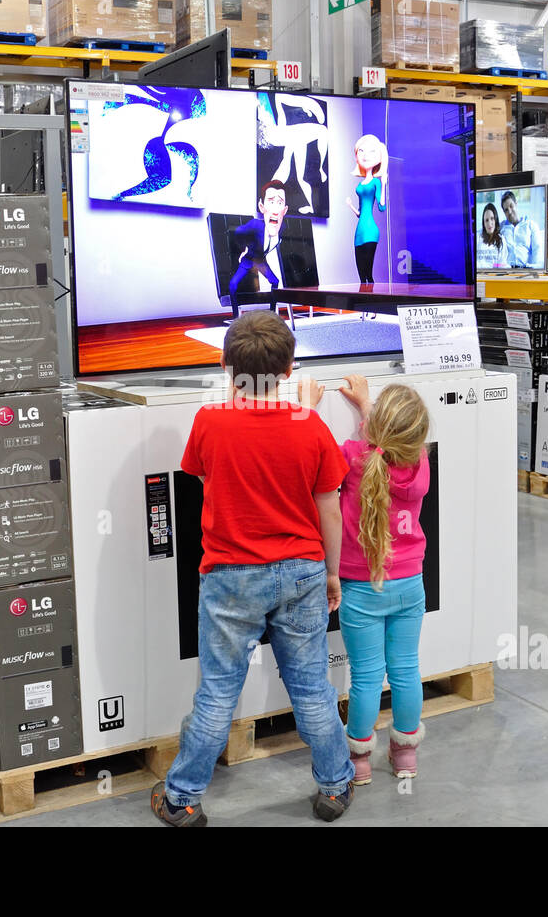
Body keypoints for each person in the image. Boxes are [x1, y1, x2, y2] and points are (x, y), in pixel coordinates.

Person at [150, 311, 356, 826]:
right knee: (311, 686)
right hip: (303, 570)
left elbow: (202, 475)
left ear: (225, 365)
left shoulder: (209, 421)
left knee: (218, 689)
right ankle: (334, 787)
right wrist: (332, 573)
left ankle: (182, 798)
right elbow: (329, 507)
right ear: (289, 369)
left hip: (230, 575)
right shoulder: (310, 427)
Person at [298, 374, 431, 784]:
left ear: (373, 430)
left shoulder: (353, 457)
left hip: (360, 589)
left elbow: (315, 450)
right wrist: (370, 407)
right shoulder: (420, 464)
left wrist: (308, 408)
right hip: (410, 585)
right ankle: (405, 756)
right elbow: (394, 440)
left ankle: (358, 760)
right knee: (406, 670)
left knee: (367, 677)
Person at [228, 181, 290, 318]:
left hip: (261, 261)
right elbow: (238, 231)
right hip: (249, 259)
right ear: (262, 207)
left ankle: (273, 313)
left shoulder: (283, 229)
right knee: (233, 284)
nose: (275, 209)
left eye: (279, 203)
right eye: (271, 202)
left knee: (275, 281)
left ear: (284, 210)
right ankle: (235, 317)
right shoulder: (255, 225)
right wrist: (242, 248)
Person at [350, 134, 388, 286]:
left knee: (368, 273)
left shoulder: (376, 183)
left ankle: (372, 306)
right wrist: (350, 206)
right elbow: (360, 213)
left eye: (371, 152)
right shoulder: (360, 185)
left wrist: (384, 184)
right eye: (361, 151)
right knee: (361, 274)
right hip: (359, 232)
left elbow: (382, 207)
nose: (365, 155)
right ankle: (364, 304)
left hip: (371, 231)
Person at [499, 190, 542, 269]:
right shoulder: (501, 227)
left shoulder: (530, 225)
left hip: (526, 271)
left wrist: (533, 270)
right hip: (506, 271)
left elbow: (537, 250)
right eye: (506, 210)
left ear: (516, 204)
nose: (510, 212)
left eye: (511, 206)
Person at [477, 203, 508, 270]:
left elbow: (502, 264)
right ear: (484, 223)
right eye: (486, 220)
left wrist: (493, 266)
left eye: (492, 218)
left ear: (496, 220)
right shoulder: (478, 238)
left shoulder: (501, 239)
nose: (489, 223)